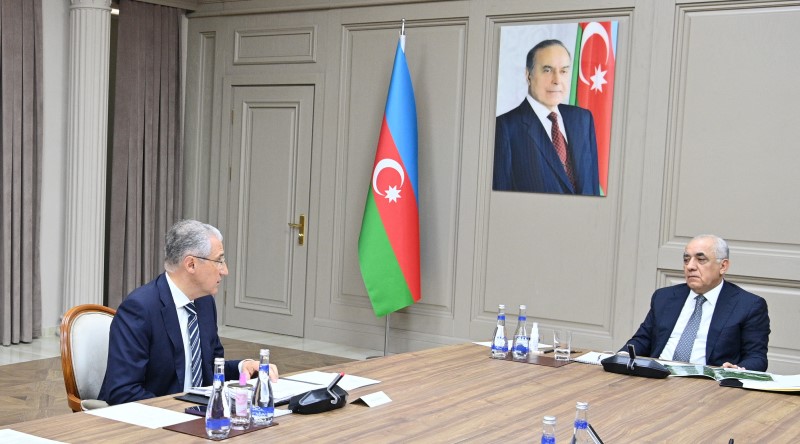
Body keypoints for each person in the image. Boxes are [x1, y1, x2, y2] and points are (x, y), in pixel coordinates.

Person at [99, 219, 278, 405]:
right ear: (191, 264)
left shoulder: (204, 302)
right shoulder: (140, 308)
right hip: (155, 417)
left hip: (198, 414)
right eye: (219, 261)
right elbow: (122, 391)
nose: (225, 271)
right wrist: (180, 411)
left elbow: (207, 368)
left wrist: (243, 367)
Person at [624, 234, 770, 371]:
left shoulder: (748, 305)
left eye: (701, 259)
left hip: (707, 382)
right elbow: (642, 340)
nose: (690, 266)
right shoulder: (664, 297)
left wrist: (736, 370)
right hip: (658, 375)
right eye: (686, 260)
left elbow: (757, 357)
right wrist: (621, 356)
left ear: (723, 266)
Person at [493, 39, 600, 195]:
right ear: (528, 75)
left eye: (563, 71)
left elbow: (593, 187)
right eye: (547, 70)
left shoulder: (583, 119)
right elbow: (500, 200)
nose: (557, 80)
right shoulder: (505, 128)